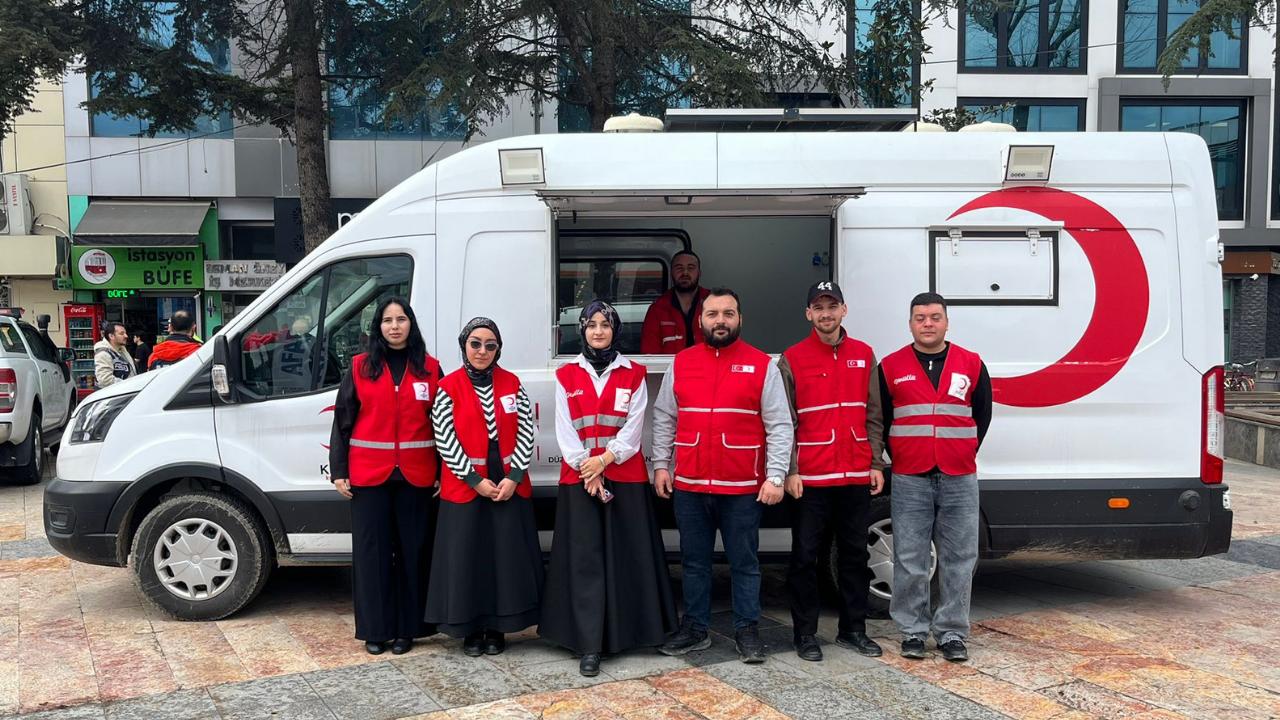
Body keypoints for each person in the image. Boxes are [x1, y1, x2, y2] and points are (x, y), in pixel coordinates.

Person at [651, 287, 793, 663]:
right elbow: (665, 416)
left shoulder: (762, 364)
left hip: (743, 487)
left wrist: (775, 476)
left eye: (728, 313)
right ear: (701, 319)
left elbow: (780, 423)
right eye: (713, 314)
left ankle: (747, 629)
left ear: (740, 319)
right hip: (691, 485)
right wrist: (661, 465)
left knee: (745, 563)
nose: (720, 321)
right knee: (694, 562)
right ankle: (695, 628)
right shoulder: (681, 362)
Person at [540, 301, 679, 677]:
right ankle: (589, 644)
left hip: (625, 477)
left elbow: (634, 429)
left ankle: (634, 633)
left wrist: (604, 461)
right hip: (580, 478)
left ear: (615, 330)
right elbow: (565, 430)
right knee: (585, 562)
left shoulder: (633, 373)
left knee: (628, 558)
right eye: (591, 325)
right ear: (581, 330)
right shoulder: (567, 375)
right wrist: (588, 467)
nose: (598, 331)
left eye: (605, 325)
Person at [878, 292, 992, 663]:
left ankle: (952, 632)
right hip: (911, 475)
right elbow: (882, 419)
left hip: (959, 475)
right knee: (909, 558)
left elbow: (982, 415)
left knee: (959, 558)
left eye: (934, 317)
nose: (927, 323)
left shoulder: (971, 363)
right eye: (920, 317)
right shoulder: (891, 366)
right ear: (910, 323)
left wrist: (959, 451)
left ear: (946, 321)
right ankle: (912, 631)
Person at [329, 296, 442, 656]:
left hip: (417, 476)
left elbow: (442, 426)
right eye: (388, 320)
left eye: (401, 318)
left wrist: (442, 470)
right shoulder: (361, 367)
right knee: (371, 555)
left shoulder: (431, 368)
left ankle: (409, 629)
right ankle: (375, 630)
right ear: (377, 327)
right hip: (369, 476)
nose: (395, 326)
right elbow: (342, 421)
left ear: (411, 324)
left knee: (413, 554)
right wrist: (339, 470)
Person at [778, 281, 884, 662]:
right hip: (811, 477)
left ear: (844, 310)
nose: (826, 313)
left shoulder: (864, 354)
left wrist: (875, 461)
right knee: (804, 557)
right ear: (809, 313)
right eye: (818, 307)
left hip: (855, 475)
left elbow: (874, 414)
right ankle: (804, 634)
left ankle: (853, 630)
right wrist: (789, 469)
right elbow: (782, 421)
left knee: (854, 557)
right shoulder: (791, 358)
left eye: (832, 306)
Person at [425, 317, 543, 656]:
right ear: (464, 345)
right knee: (467, 559)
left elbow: (526, 431)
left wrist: (514, 476)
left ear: (498, 349)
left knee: (503, 561)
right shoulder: (448, 387)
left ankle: (498, 628)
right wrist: (475, 481)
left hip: (508, 485)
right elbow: (444, 440)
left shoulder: (513, 383)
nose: (482, 351)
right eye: (475, 343)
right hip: (467, 488)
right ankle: (470, 629)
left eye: (490, 345)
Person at [640, 250, 711, 354]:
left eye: (691, 268)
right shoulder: (657, 309)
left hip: (709, 368)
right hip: (670, 369)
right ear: (671, 272)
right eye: (679, 268)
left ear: (699, 273)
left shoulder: (714, 303)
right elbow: (649, 355)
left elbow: (725, 345)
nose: (685, 272)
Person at [94, 321, 136, 389]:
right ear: (111, 336)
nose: (126, 336)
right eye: (122, 333)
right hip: (114, 396)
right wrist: (128, 385)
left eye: (125, 333)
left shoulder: (122, 349)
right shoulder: (103, 353)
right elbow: (104, 380)